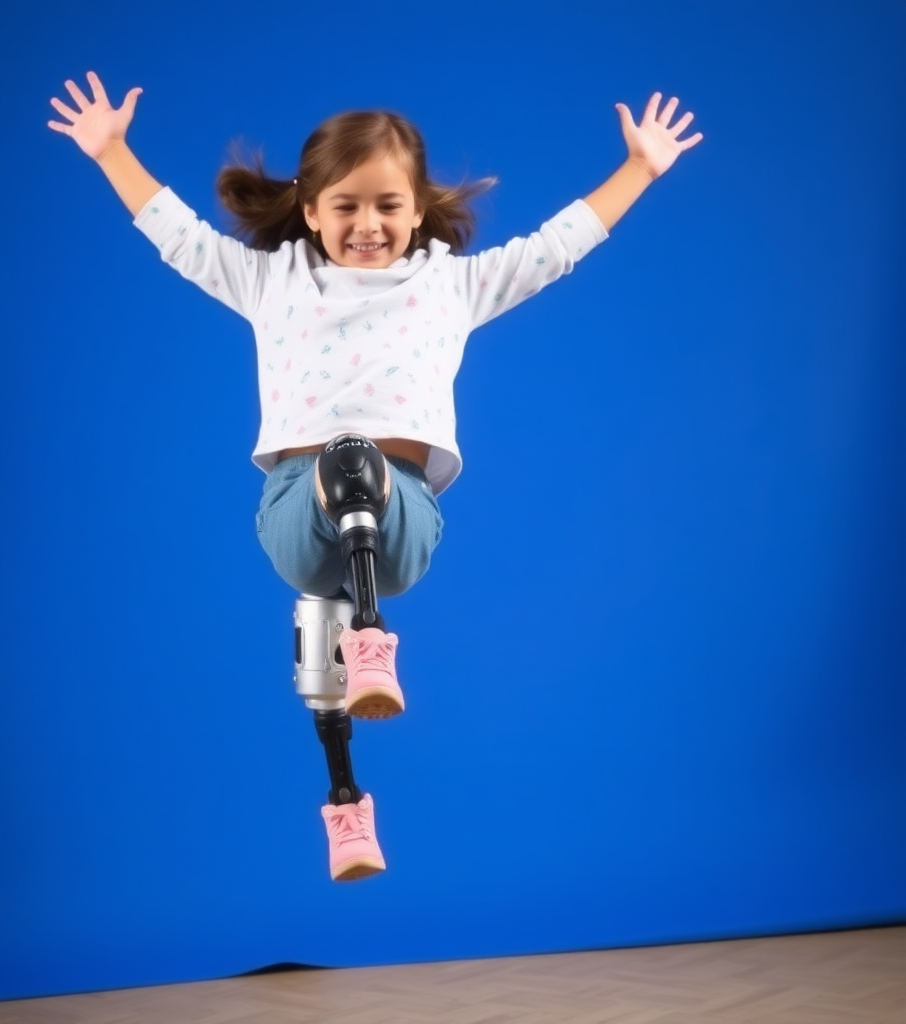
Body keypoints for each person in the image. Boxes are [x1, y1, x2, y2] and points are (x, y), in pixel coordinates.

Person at [47, 73, 702, 881]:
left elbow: (556, 248)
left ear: (419, 208)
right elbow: (175, 233)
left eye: (388, 205)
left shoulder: (450, 286)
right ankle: (350, 769)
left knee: (359, 462)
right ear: (311, 206)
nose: (368, 225)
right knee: (340, 467)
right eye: (347, 206)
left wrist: (639, 167)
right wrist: (112, 151)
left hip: (405, 525)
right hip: (294, 514)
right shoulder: (270, 280)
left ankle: (358, 701)